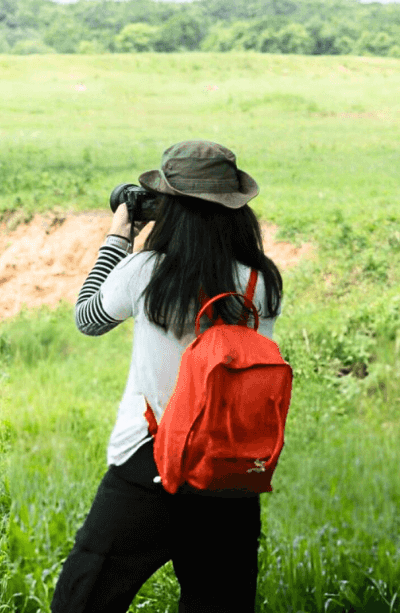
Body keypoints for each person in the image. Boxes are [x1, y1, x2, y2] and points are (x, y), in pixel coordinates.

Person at [51, 140, 284, 613]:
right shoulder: (262, 282)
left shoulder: (147, 272)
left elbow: (88, 318)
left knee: (83, 598)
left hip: (150, 459)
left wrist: (120, 236)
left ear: (170, 208)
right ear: (237, 209)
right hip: (231, 469)